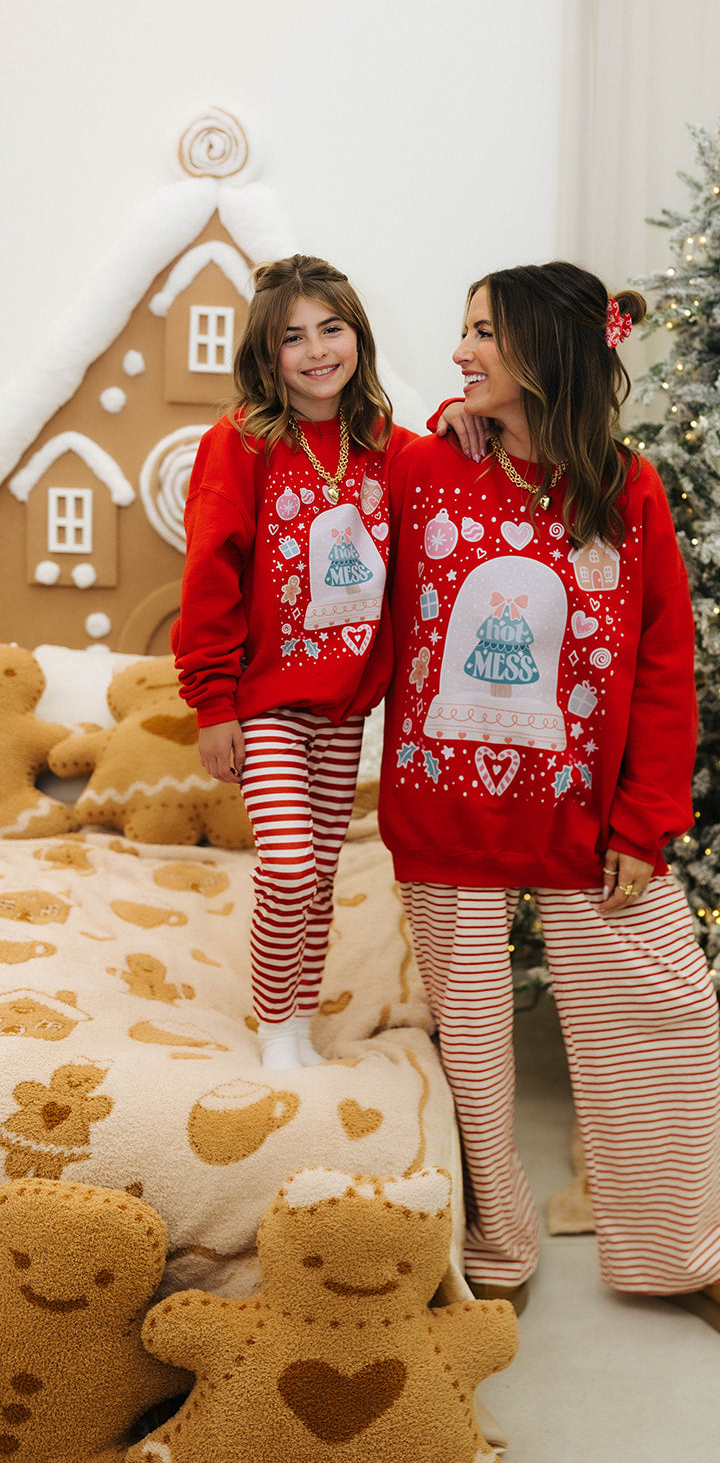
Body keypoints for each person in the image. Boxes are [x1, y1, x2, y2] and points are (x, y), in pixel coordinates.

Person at [376, 261, 720, 1349]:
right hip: (444, 812)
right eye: (460, 329)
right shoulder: (427, 466)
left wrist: (644, 818)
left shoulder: (628, 488)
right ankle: (497, 1245)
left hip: (585, 819)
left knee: (662, 1013)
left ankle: (684, 1246)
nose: (461, 350)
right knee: (468, 1043)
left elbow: (664, 663)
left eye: (481, 332)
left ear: (545, 351)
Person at [173, 253, 478, 1071]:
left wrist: (454, 409)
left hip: (344, 704)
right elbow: (207, 580)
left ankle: (297, 1023)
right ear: (265, 356)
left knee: (314, 885)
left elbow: (450, 468)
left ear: (356, 336)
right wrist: (213, 706)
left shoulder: (383, 444)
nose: (315, 351)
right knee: (288, 866)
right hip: (264, 699)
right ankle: (275, 1028)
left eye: (330, 329)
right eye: (291, 338)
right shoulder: (239, 444)